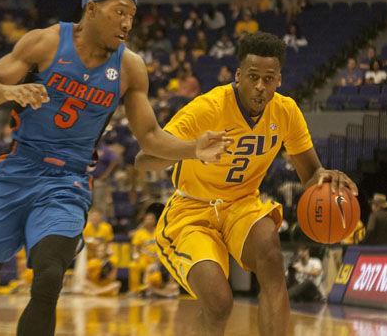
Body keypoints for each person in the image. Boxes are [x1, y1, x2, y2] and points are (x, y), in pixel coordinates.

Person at [0, 0, 229, 336]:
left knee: (49, 276)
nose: (127, 23)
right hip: (17, 171)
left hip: (68, 182)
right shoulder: (45, 42)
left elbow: (151, 137)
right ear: (91, 9)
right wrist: (7, 92)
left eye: (132, 15)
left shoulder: (130, 67)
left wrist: (193, 149)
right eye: (119, 12)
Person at [134, 32, 357, 336]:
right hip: (192, 211)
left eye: (269, 78)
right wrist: (192, 149)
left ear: (279, 79)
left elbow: (311, 175)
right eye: (254, 77)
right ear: (239, 76)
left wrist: (326, 179)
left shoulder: (286, 111)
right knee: (219, 302)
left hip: (241, 204)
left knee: (270, 251)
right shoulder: (208, 108)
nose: (261, 87)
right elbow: (143, 161)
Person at [129, 211, 158, 293]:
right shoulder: (139, 233)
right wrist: (135, 255)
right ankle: (134, 290)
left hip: (158, 259)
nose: (149, 221)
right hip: (144, 258)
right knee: (133, 265)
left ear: (155, 221)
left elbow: (165, 246)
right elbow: (135, 247)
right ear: (144, 221)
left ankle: (153, 289)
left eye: (151, 219)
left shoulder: (159, 231)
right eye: (147, 219)